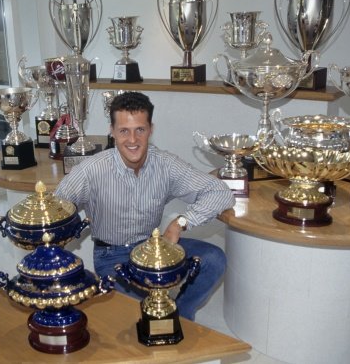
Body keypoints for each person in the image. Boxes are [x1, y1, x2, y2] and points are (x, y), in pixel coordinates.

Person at [55, 91, 234, 321]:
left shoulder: (165, 164)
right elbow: (56, 210)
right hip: (111, 257)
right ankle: (163, 315)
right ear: (112, 131)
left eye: (140, 129)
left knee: (214, 259)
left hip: (153, 246)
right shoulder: (91, 170)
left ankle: (182, 315)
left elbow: (220, 192)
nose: (132, 140)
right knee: (144, 315)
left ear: (151, 129)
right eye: (124, 131)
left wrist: (180, 223)